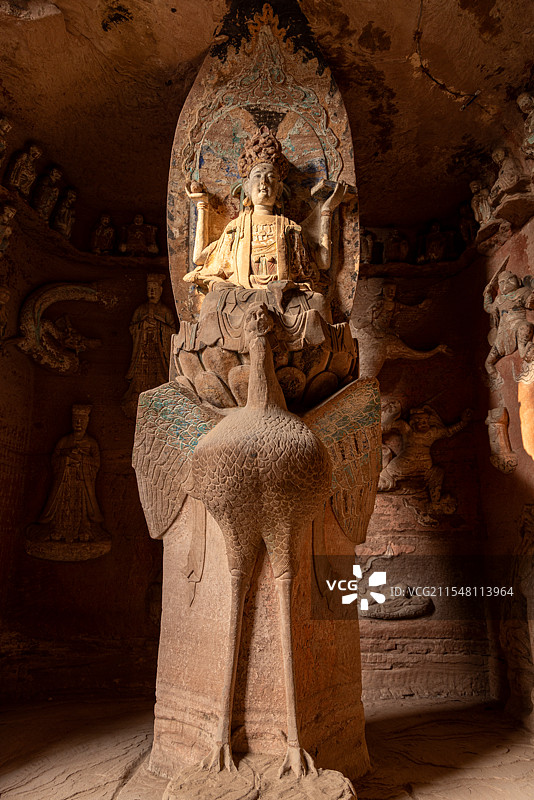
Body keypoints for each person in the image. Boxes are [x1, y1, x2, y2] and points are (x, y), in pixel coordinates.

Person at [183, 126, 347, 323]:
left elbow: (322, 263)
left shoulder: (290, 228)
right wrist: (202, 206)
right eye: (258, 176)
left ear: (279, 189)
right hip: (243, 295)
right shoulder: (236, 228)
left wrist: (327, 210)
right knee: (212, 301)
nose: (264, 183)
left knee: (318, 302)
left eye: (271, 178)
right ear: (246, 187)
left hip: (284, 297)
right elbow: (199, 259)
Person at [38, 405, 104, 542]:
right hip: (65, 481)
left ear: (87, 422)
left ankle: (84, 529)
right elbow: (54, 460)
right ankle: (58, 528)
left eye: (82, 421)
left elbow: (96, 463)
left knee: (82, 507)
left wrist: (82, 459)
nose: (78, 424)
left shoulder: (91, 443)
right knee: (63, 505)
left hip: (82, 482)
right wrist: (67, 458)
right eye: (75, 421)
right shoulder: (64, 441)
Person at [121, 273, 176, 418]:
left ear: (160, 291)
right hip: (142, 352)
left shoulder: (165, 311)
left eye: (154, 289)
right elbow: (132, 329)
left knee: (160, 378)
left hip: (159, 353)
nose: (152, 292)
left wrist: (158, 326)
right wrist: (143, 325)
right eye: (149, 289)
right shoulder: (140, 310)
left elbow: (173, 332)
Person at [484, 269, 534, 384]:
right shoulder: (499, 299)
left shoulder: (522, 292)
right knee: (490, 359)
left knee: (525, 327)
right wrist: (487, 294)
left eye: (510, 279)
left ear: (518, 281)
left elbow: (530, 303)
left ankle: (523, 350)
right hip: (503, 332)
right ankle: (490, 367)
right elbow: (489, 308)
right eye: (502, 282)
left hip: (517, 324)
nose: (506, 283)